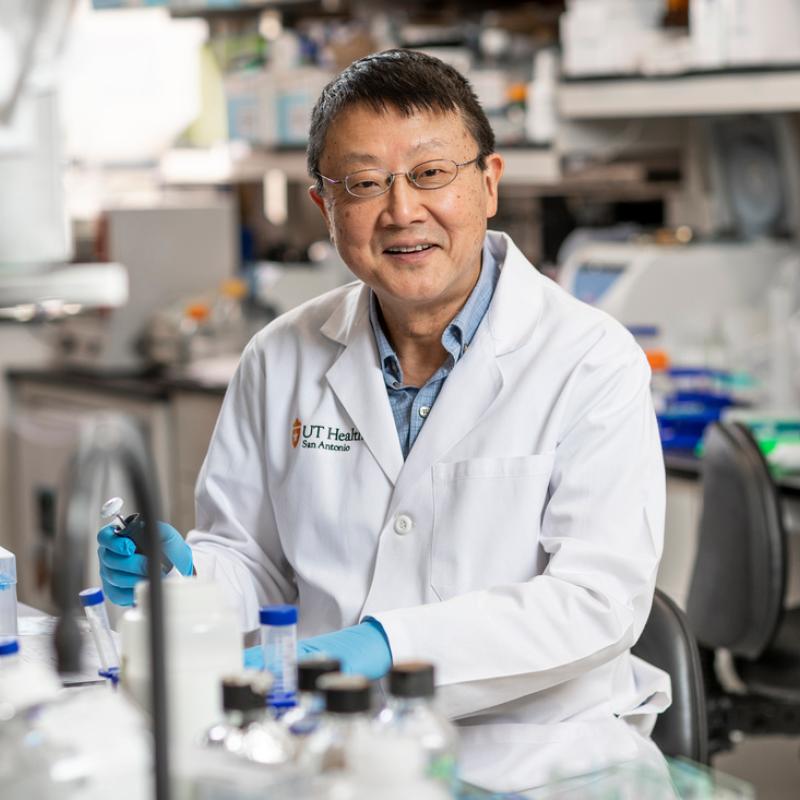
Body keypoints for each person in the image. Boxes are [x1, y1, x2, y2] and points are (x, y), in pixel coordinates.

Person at [97, 49, 670, 794]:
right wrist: (189, 578)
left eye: (432, 174)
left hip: (539, 757)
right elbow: (255, 562)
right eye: (364, 184)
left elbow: (596, 601)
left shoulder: (590, 360)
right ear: (324, 208)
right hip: (334, 749)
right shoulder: (279, 357)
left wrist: (385, 643)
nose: (402, 211)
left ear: (489, 183)